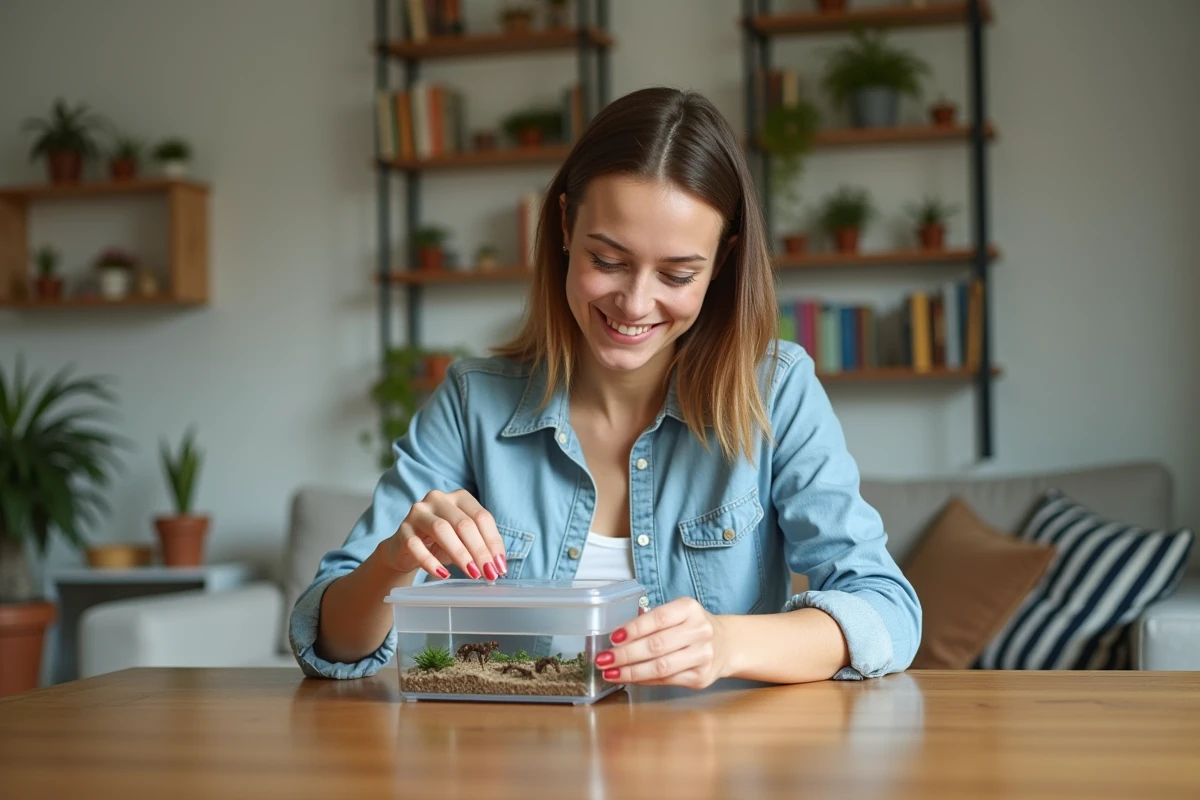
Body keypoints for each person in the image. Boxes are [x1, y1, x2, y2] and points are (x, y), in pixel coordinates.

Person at [290, 86, 920, 688]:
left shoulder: (774, 390)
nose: (635, 302)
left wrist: (727, 643)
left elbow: (887, 608)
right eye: (608, 261)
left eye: (676, 274)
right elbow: (333, 647)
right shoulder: (470, 403)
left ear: (721, 263)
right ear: (564, 225)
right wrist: (393, 563)